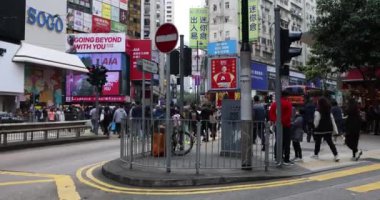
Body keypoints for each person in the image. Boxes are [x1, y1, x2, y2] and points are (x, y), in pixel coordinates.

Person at [269, 91, 293, 165]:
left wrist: (276, 121)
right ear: (286, 96)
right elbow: (288, 115)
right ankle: (286, 159)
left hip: (277, 125)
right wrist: (282, 122)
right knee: (286, 142)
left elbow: (271, 114)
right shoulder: (288, 104)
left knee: (278, 141)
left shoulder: (274, 104)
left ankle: (277, 157)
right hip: (286, 126)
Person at [312, 97, 340, 162]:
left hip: (319, 129)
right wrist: (335, 129)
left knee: (318, 142)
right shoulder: (329, 110)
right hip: (328, 129)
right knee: (330, 142)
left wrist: (314, 127)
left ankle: (316, 154)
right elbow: (332, 120)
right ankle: (336, 155)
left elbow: (316, 121)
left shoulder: (317, 111)